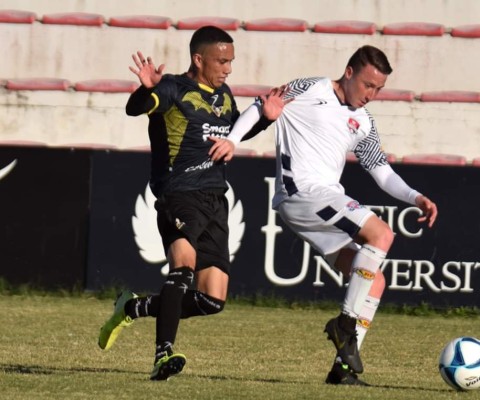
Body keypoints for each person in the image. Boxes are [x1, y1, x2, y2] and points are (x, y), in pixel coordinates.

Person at [209, 45, 438, 385]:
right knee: (382, 234)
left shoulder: (362, 121)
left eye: (378, 89)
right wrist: (232, 140)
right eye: (367, 85)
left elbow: (380, 169)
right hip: (302, 193)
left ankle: (342, 369)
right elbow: (262, 107)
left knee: (375, 281)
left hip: (323, 200)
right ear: (349, 73)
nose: (371, 95)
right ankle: (344, 324)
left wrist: (415, 197)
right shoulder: (309, 89)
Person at [97, 25, 286, 381]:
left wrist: (264, 120)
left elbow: (233, 133)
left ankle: (133, 307)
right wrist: (145, 88)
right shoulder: (171, 88)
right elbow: (134, 108)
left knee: (211, 300)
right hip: (178, 195)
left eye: (231, 61)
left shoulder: (225, 95)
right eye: (222, 61)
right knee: (182, 269)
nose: (228, 68)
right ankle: (162, 355)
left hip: (216, 198)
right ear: (198, 59)